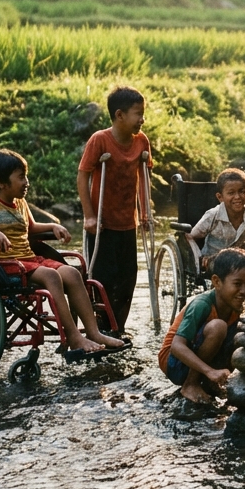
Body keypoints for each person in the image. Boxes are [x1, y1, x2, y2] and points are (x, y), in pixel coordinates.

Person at [0, 149, 126, 357]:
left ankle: (94, 332)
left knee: (72, 273)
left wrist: (51, 226)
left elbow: (31, 228)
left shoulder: (20, 203)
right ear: (2, 183)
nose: (26, 182)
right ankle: (74, 337)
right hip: (6, 266)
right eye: (21, 177)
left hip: (30, 260)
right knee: (51, 275)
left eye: (26, 176)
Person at [77, 86, 152, 330]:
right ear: (120, 115)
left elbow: (144, 175)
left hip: (127, 223)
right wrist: (89, 216)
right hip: (102, 224)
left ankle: (117, 328)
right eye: (137, 114)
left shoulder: (141, 142)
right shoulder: (100, 140)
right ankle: (99, 327)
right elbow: (83, 176)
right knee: (103, 280)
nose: (142, 119)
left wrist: (146, 212)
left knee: (128, 278)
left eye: (143, 113)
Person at [158, 248, 245, 404]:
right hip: (174, 363)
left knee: (242, 332)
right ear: (216, 281)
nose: (244, 291)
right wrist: (209, 371)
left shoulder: (234, 306)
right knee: (218, 327)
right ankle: (190, 384)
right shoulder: (201, 305)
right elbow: (176, 346)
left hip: (196, 359)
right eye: (237, 284)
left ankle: (212, 382)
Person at [188, 168, 245, 293]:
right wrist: (200, 257)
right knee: (228, 269)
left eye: (242, 192)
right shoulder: (213, 215)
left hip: (242, 257)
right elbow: (190, 236)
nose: (237, 197)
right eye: (231, 193)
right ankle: (220, 303)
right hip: (215, 258)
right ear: (220, 197)